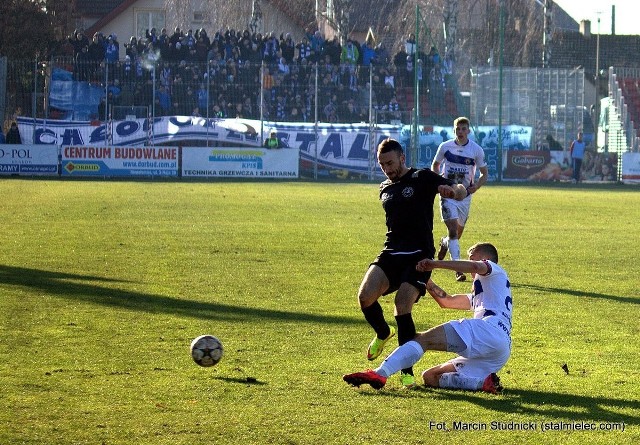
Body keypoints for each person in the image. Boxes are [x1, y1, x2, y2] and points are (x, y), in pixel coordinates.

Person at [356, 138, 467, 388]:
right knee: (364, 297)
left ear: (402, 158)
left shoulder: (422, 177)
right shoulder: (384, 187)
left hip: (419, 255)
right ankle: (384, 333)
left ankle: (406, 370)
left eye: (391, 163)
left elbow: (454, 187)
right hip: (392, 251)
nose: (387, 168)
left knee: (402, 304)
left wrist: (456, 191)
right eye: (382, 164)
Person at [344, 242, 511, 394]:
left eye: (472, 257)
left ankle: (380, 374)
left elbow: (475, 266)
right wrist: (425, 279)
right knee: (431, 377)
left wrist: (435, 263)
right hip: (499, 350)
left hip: (489, 329)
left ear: (486, 259)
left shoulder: (494, 269)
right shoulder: (488, 293)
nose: (470, 264)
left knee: (422, 340)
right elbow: (447, 301)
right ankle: (482, 383)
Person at [432, 117, 488, 282]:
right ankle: (458, 270)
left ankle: (445, 243)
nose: (461, 132)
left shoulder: (476, 150)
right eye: (458, 129)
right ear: (454, 130)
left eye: (464, 129)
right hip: (448, 194)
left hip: (465, 197)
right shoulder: (445, 147)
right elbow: (435, 165)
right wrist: (439, 182)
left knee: (457, 233)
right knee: (453, 231)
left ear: (468, 131)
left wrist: (476, 186)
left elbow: (484, 174)